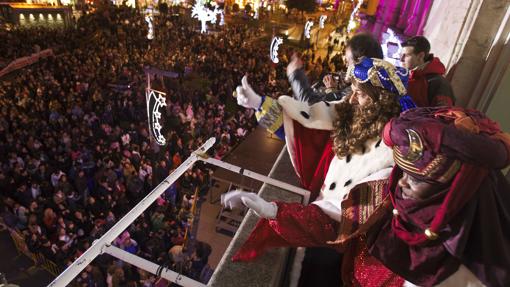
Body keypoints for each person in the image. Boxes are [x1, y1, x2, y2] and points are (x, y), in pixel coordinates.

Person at [226, 57, 415, 285]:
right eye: (352, 91)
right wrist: (259, 103)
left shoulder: (389, 158)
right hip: (317, 225)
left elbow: (342, 218)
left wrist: (274, 211)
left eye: (360, 94)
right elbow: (310, 123)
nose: (351, 98)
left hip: (340, 250)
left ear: (381, 102)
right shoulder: (358, 116)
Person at [349, 106, 509, 286]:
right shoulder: (384, 201)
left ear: (454, 190)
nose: (402, 182)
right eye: (402, 172)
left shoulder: (472, 277)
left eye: (416, 179)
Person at [288, 33, 384, 104]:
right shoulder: (369, 85)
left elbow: (313, 106)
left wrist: (295, 74)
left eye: (348, 61)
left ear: (361, 63)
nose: (346, 65)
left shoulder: (362, 92)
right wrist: (332, 90)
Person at [400, 36, 455, 107]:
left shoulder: (438, 82)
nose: (401, 59)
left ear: (420, 56)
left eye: (406, 55)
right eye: (401, 55)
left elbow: (442, 115)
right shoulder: (405, 78)